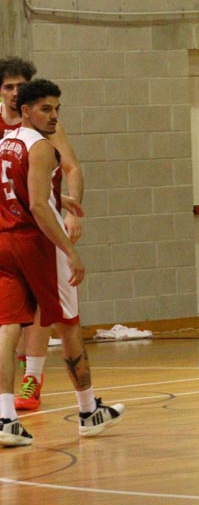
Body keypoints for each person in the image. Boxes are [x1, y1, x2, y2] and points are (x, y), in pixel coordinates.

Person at [0, 79, 123, 447]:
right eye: (46, 109)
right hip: (37, 245)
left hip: (5, 241)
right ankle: (88, 411)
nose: (54, 116)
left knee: (7, 329)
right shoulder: (41, 148)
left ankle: (5, 418)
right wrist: (69, 249)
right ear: (25, 111)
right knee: (69, 325)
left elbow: (21, 192)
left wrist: (59, 199)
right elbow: (38, 206)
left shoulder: (5, 142)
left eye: (57, 109)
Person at [0, 57, 84, 412]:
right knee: (13, 318)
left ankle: (31, 379)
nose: (15, 92)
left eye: (21, 86)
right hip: (14, 226)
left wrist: (69, 207)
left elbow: (71, 168)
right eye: (8, 86)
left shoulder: (46, 129)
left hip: (34, 229)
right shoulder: (17, 136)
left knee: (37, 311)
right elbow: (24, 188)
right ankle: (88, 407)